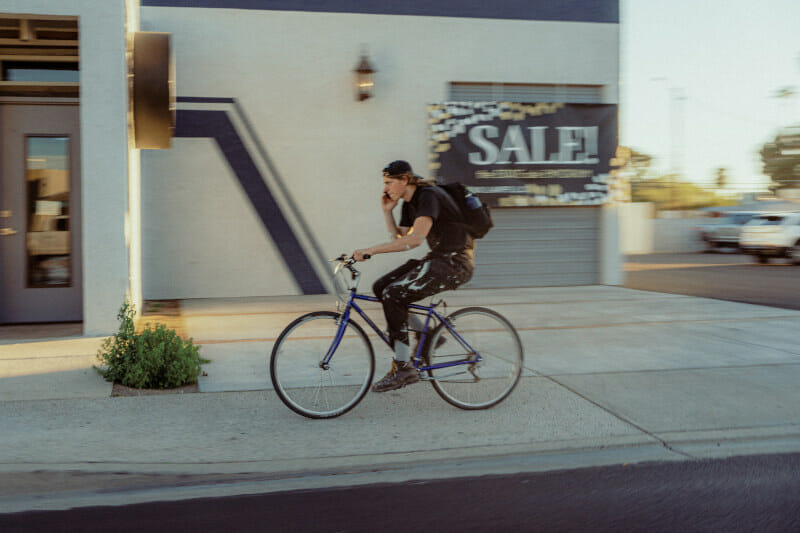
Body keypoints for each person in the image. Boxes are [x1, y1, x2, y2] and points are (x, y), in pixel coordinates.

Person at [352, 160, 474, 392]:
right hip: (439, 259)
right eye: (385, 183)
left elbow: (416, 239)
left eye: (389, 182)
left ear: (404, 180)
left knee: (393, 294)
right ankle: (427, 335)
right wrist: (387, 212)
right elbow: (400, 240)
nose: (386, 188)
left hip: (455, 262)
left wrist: (372, 250)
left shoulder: (427, 196)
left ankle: (404, 367)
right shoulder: (410, 203)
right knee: (381, 287)